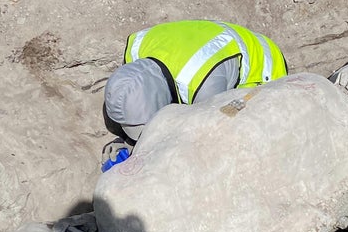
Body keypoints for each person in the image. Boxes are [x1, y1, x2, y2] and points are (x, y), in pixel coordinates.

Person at [101, 20, 287, 166]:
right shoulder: (135, 50)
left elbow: (200, 142)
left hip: (262, 67)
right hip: (206, 42)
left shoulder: (203, 85)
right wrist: (129, 141)